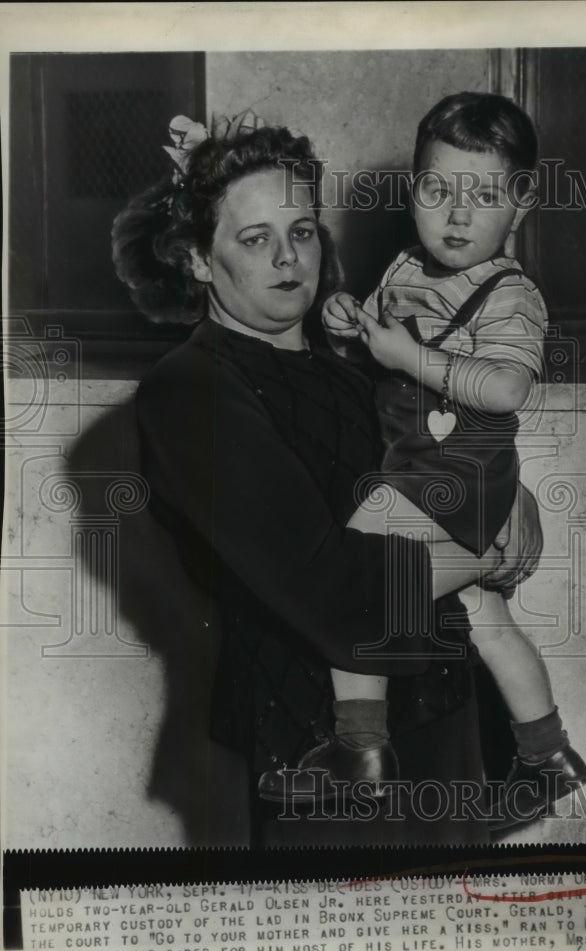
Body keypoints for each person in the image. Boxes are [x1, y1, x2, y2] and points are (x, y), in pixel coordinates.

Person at [113, 113, 542, 844]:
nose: (289, 259)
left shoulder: (350, 366)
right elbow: (334, 594)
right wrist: (483, 548)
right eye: (255, 239)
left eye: (303, 230)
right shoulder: (189, 390)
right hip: (319, 753)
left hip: (447, 726)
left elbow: (441, 462)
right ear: (195, 259)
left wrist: (515, 501)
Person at [278, 93, 586, 826]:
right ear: (413, 190)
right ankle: (546, 754)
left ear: (519, 205)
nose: (455, 215)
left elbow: (508, 386)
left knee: (353, 581)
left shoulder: (511, 296)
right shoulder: (407, 267)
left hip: (452, 475)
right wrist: (350, 326)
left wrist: (408, 353)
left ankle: (360, 747)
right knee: (484, 617)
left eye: (482, 196)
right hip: (424, 468)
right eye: (436, 190)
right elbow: (382, 355)